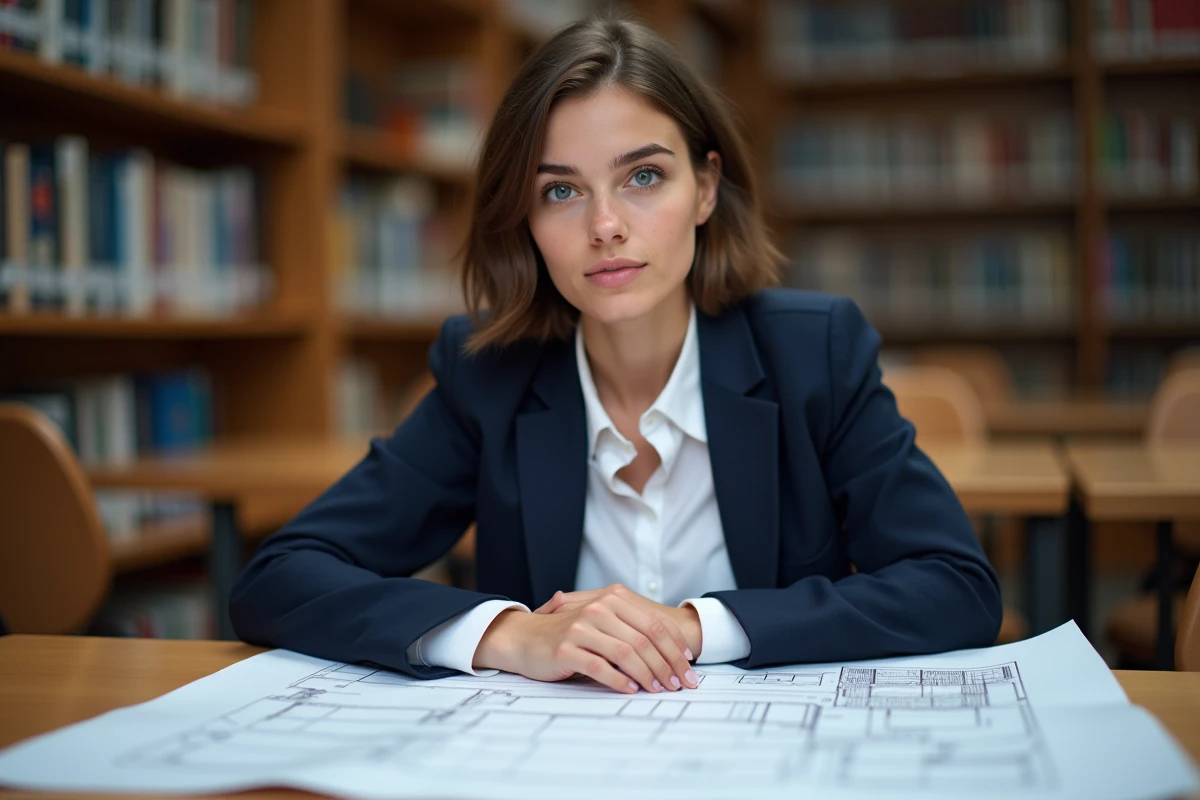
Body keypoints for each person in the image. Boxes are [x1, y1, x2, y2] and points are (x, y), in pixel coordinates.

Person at [230, 14, 1002, 695]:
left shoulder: (814, 354)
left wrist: (692, 627)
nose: (605, 226)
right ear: (523, 219)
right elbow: (281, 577)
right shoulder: (490, 373)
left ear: (706, 189)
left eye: (644, 177)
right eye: (561, 191)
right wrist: (509, 634)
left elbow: (956, 587)